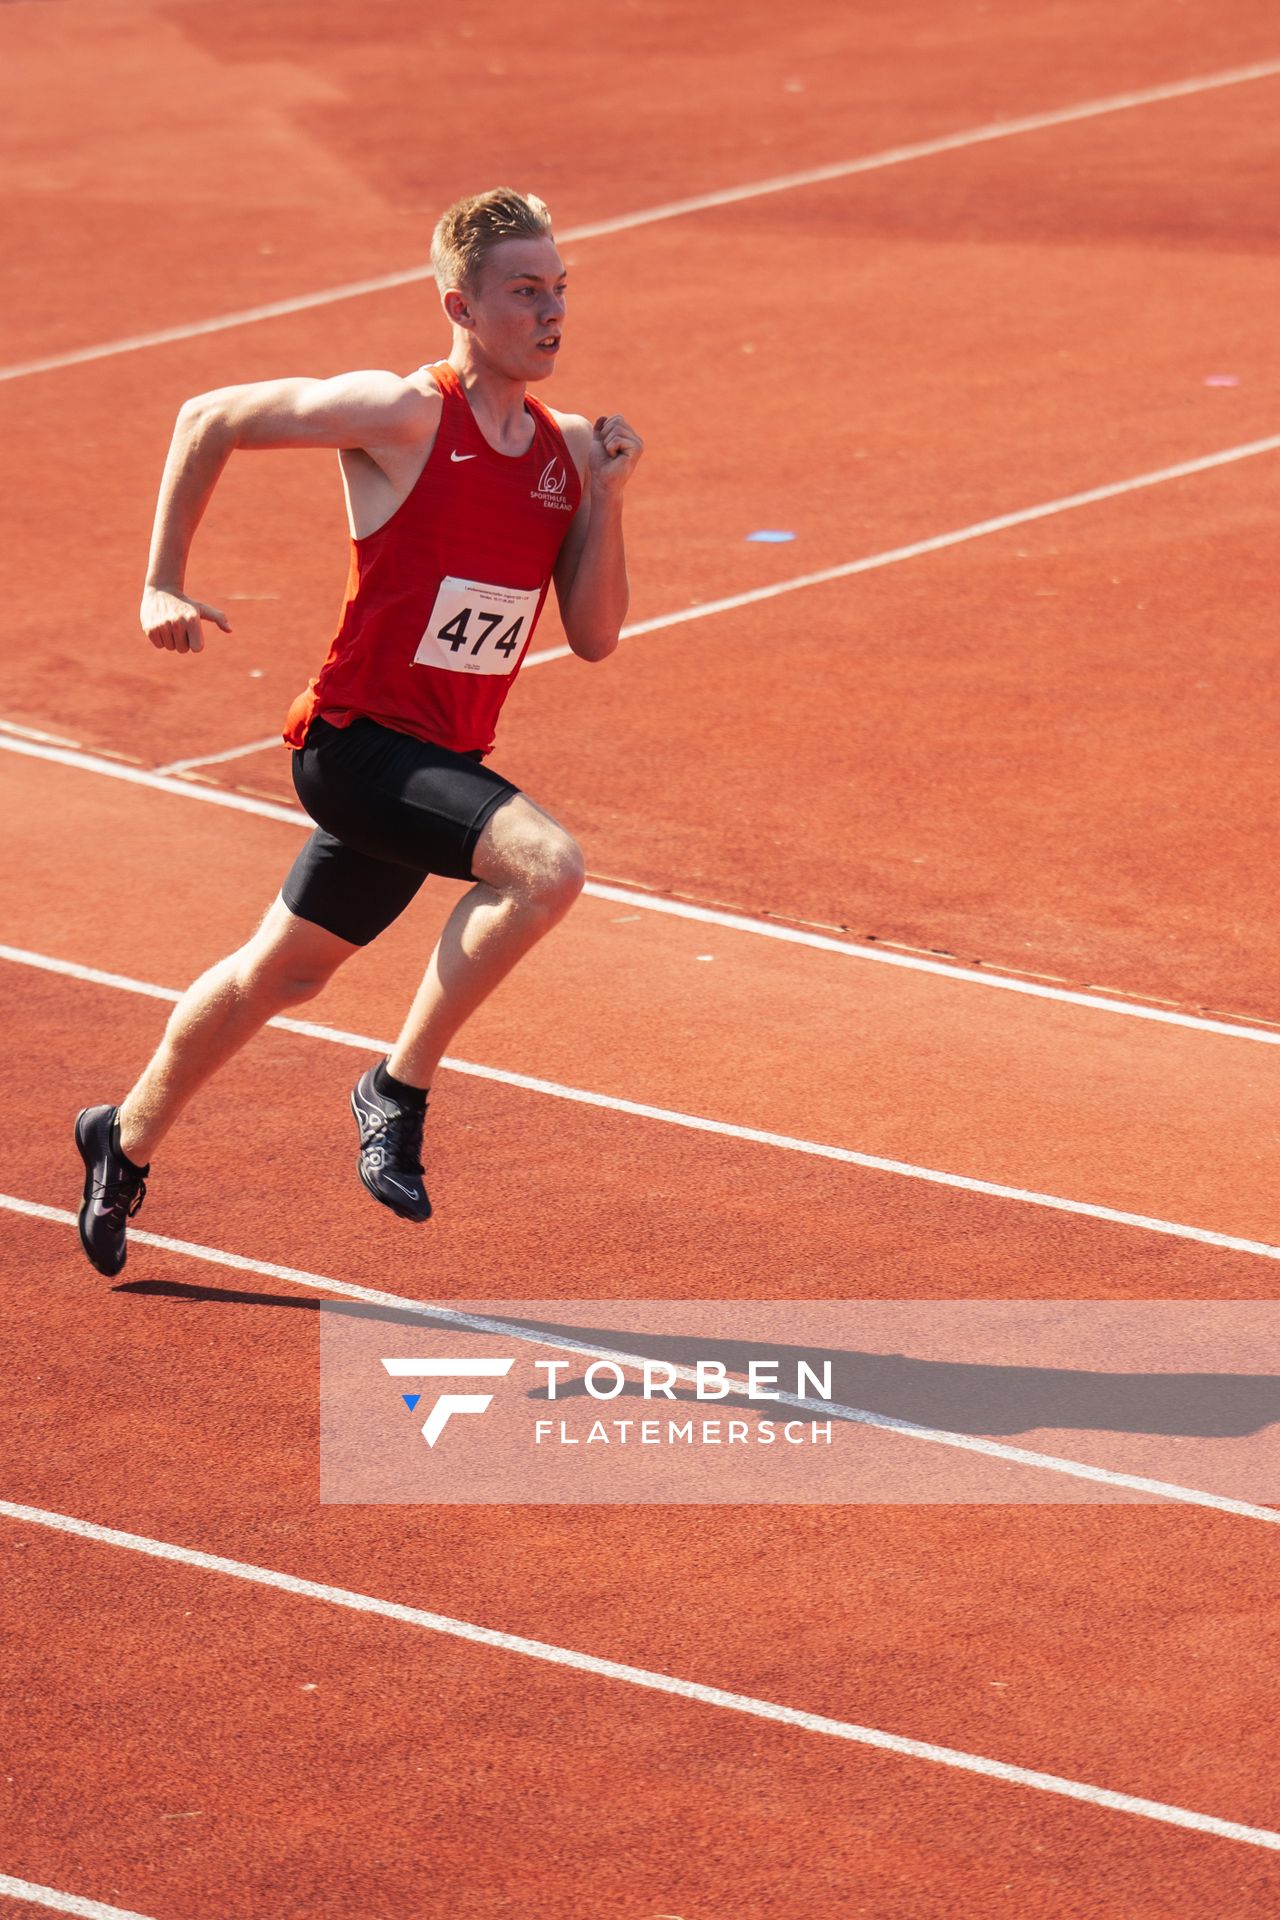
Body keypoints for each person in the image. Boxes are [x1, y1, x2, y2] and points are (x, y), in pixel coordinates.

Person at [75, 186, 642, 1275]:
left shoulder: (569, 452)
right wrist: (161, 583)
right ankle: (396, 1085)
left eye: (559, 288)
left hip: (438, 761)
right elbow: (209, 416)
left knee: (280, 975)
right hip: (356, 745)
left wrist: (608, 500)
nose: (551, 310)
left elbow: (598, 634)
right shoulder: (404, 415)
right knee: (545, 870)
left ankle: (123, 1135)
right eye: (524, 291)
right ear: (460, 306)